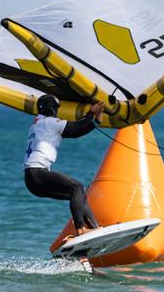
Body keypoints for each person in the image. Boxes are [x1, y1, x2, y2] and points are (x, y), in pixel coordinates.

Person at [23, 95, 105, 237]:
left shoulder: (38, 124)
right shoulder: (50, 122)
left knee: (78, 194)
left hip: (31, 180)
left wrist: (96, 121)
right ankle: (80, 229)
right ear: (52, 109)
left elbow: (76, 132)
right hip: (38, 172)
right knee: (77, 187)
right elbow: (76, 127)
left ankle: (94, 228)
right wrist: (91, 112)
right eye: (56, 108)